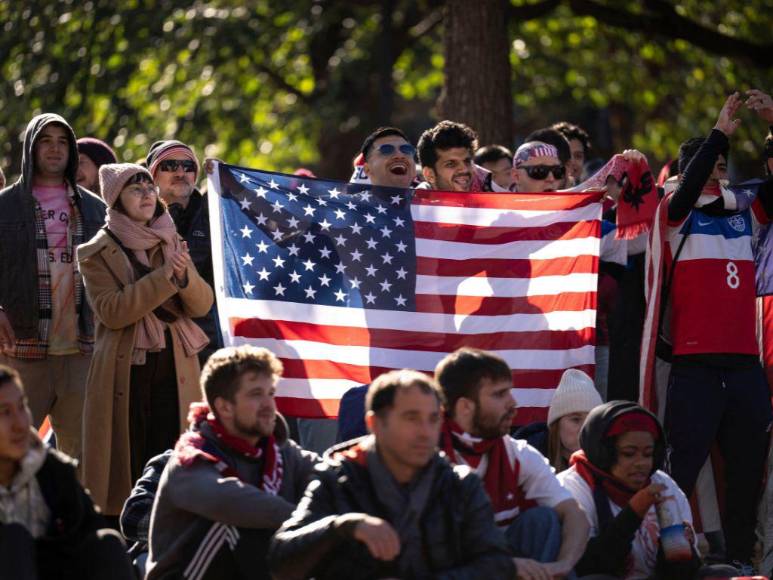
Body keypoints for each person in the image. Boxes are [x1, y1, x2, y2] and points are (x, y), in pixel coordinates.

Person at [641, 93, 773, 569]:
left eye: (723, 168)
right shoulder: (672, 213)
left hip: (743, 364)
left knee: (745, 470)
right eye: (709, 167)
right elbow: (688, 186)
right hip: (693, 364)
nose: (718, 176)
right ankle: (663, 554)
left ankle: (740, 559)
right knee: (682, 467)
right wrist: (718, 133)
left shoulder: (747, 210)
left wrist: (772, 122)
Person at [269, 369, 514, 579]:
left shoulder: (460, 485)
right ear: (375, 424)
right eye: (411, 418)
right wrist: (341, 527)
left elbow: (497, 564)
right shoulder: (336, 481)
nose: (425, 432)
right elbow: (281, 563)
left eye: (433, 419)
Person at [76, 162, 214, 517]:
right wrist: (168, 277)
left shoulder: (172, 239)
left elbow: (202, 305)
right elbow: (113, 311)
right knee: (131, 463)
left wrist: (184, 278)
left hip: (176, 366)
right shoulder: (95, 250)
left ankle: (173, 530)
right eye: (135, 189)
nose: (147, 195)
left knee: (174, 455)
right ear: (116, 200)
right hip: (127, 372)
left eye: (150, 188)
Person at [145, 345, 319, 580]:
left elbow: (328, 474)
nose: (270, 405)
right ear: (224, 407)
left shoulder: (280, 451)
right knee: (239, 524)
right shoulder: (191, 459)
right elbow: (230, 500)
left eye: (271, 393)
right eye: (256, 394)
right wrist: (314, 523)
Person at [0, 113, 106, 464]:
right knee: (11, 452)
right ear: (31, 148)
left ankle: (74, 521)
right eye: (46, 140)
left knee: (82, 458)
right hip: (22, 350)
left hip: (81, 349)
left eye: (63, 141)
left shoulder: (96, 209)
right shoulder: (5, 206)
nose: (55, 148)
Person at [433, 348, 589, 579]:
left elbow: (574, 514)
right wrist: (501, 565)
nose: (513, 403)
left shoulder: (515, 452)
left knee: (544, 521)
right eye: (499, 395)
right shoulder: (423, 453)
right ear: (465, 406)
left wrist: (563, 566)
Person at [559, 400, 740, 579]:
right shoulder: (572, 488)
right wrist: (633, 513)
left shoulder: (664, 485)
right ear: (604, 453)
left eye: (648, 454)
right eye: (629, 453)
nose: (642, 464)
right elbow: (584, 567)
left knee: (724, 574)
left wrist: (676, 546)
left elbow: (684, 574)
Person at [0, 365, 134, 580]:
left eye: (22, 406)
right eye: (5, 413)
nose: (20, 424)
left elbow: (88, 529)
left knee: (107, 544)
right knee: (14, 540)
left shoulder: (51, 469)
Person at [147, 139, 222, 362]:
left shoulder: (217, 211)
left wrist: (227, 181)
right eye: (169, 165)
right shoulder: (138, 218)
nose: (180, 172)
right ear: (153, 175)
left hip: (209, 340)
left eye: (188, 166)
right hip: (157, 342)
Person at [515, 368, 603, 473]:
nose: (585, 428)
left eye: (591, 420)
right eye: (576, 419)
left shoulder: (611, 465)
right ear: (556, 425)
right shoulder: (523, 463)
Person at [416, 120, 495, 192]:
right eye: (451, 164)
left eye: (467, 161)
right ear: (429, 174)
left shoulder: (492, 201)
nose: (464, 169)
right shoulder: (412, 206)